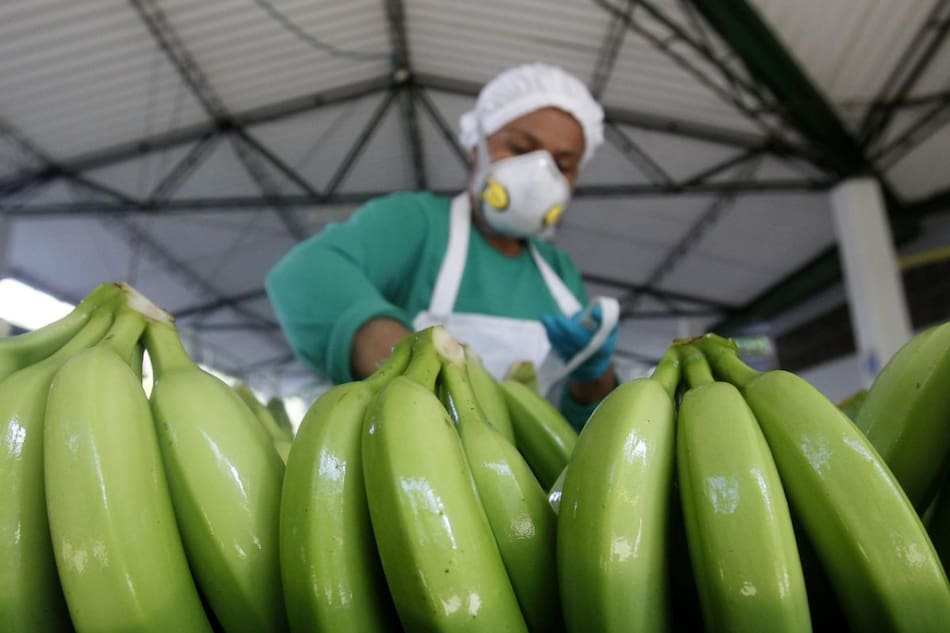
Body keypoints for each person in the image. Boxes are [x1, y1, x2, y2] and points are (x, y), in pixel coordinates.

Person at [266, 63, 619, 430]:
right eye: (520, 148)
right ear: (476, 148)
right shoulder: (418, 224)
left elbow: (587, 433)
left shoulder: (559, 274)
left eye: (563, 165)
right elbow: (304, 273)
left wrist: (594, 376)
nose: (540, 175)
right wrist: (409, 368)